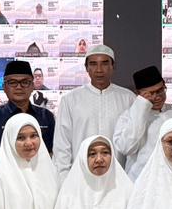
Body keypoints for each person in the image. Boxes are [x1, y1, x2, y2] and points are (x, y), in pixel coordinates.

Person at [52, 44, 134, 175]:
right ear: (86, 68)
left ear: (113, 66)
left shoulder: (128, 98)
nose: (99, 70)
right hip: (80, 176)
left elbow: (134, 143)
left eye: (105, 63)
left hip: (118, 176)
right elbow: (62, 146)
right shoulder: (70, 100)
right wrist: (64, 179)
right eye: (93, 64)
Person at [0, 60, 56, 168]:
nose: (19, 87)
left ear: (32, 86)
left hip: (39, 176)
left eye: (25, 82)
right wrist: (20, 175)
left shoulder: (46, 116)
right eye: (12, 82)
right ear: (4, 87)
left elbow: (52, 153)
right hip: (4, 177)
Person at [113, 65, 172, 179]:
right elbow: (126, 148)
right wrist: (141, 107)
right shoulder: (128, 116)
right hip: (140, 180)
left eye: (160, 90)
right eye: (150, 93)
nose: (157, 97)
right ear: (139, 94)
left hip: (171, 179)